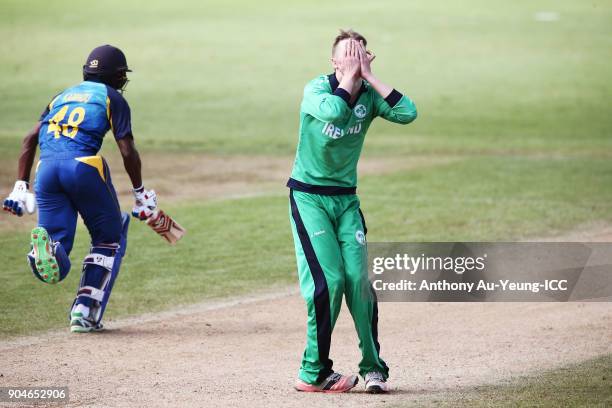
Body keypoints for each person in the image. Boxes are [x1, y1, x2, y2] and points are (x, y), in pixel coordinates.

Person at [287, 29, 418, 393]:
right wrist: (348, 79)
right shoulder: (317, 89)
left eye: (358, 54)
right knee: (328, 283)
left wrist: (370, 78)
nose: (352, 60)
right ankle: (313, 372)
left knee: (358, 282)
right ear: (333, 62)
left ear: (368, 57)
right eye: (345, 55)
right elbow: (333, 110)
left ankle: (374, 368)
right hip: (309, 197)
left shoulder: (371, 96)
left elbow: (409, 112)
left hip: (346, 200)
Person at [3, 45, 158, 333]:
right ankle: (84, 311)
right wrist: (141, 194)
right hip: (83, 168)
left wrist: (20, 188)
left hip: (46, 171)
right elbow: (127, 151)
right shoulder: (112, 98)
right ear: (116, 76)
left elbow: (29, 139)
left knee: (58, 256)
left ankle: (46, 250)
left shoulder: (61, 96)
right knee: (110, 235)